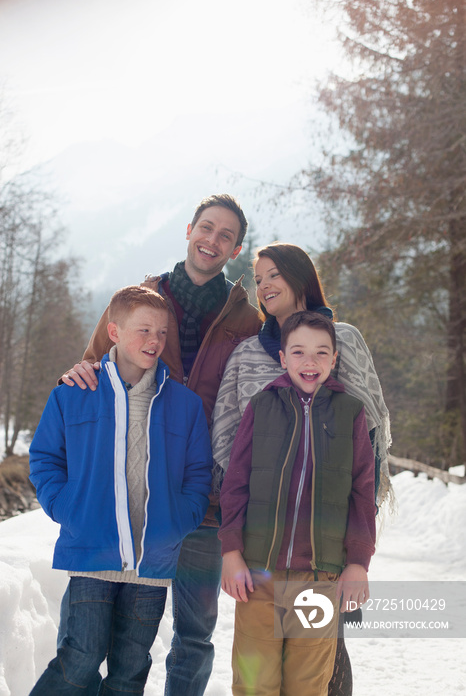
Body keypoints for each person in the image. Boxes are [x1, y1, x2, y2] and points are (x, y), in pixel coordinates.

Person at [60, 194, 261, 696]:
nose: (212, 241)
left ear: (235, 249)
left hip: (203, 501)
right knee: (94, 635)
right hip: (125, 497)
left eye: (225, 236)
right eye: (206, 228)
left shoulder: (246, 322)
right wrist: (81, 371)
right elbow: (93, 365)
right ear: (189, 229)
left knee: (194, 634)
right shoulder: (139, 297)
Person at [211, 242, 391, 695]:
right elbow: (228, 452)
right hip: (262, 553)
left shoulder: (343, 341)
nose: (266, 285)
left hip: (324, 553)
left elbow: (370, 438)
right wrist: (234, 540)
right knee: (257, 678)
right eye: (259, 278)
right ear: (283, 357)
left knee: (321, 669)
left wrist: (357, 555)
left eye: (275, 274)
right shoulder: (251, 358)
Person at [28, 285, 213, 695]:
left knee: (130, 672)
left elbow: (199, 473)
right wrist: (67, 508)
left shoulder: (184, 404)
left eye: (162, 332)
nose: (154, 341)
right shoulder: (74, 393)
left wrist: (179, 520)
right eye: (143, 330)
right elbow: (44, 460)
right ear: (113, 331)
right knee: (80, 658)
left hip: (152, 562)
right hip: (91, 552)